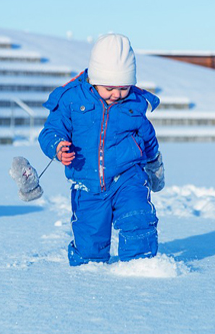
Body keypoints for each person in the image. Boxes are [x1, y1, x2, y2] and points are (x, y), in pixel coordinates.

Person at [38, 33, 165, 266]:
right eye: (109, 88)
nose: (117, 94)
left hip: (128, 176)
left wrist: (154, 163)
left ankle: (142, 266)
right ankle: (90, 275)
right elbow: (50, 130)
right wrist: (57, 147)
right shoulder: (71, 100)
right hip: (88, 182)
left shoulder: (134, 103)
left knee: (137, 216)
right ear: (95, 78)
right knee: (90, 241)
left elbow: (148, 136)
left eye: (124, 88)